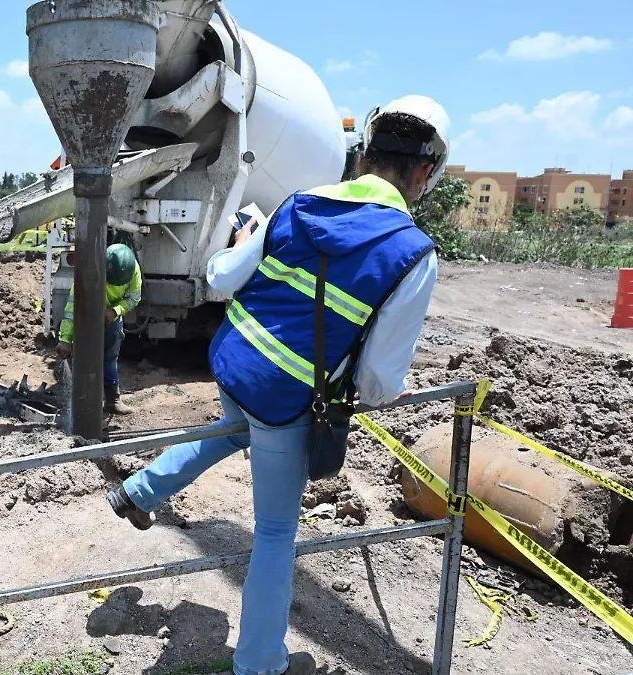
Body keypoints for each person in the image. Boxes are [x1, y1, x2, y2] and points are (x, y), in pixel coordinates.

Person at [105, 96, 451, 675]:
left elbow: (220, 277)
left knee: (232, 430)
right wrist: (383, 390)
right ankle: (260, 662)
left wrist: (246, 239)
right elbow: (378, 380)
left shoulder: (297, 204)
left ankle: (139, 492)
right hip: (287, 400)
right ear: (424, 174)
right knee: (274, 533)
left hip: (237, 364)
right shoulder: (412, 253)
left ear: (361, 156)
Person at [56, 243, 142, 415]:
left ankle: (112, 400)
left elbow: (134, 298)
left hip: (112, 317)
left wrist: (114, 312)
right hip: (86, 316)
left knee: (109, 357)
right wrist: (65, 340)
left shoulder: (132, 271)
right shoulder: (89, 272)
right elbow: (72, 309)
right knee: (83, 359)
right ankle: (82, 404)